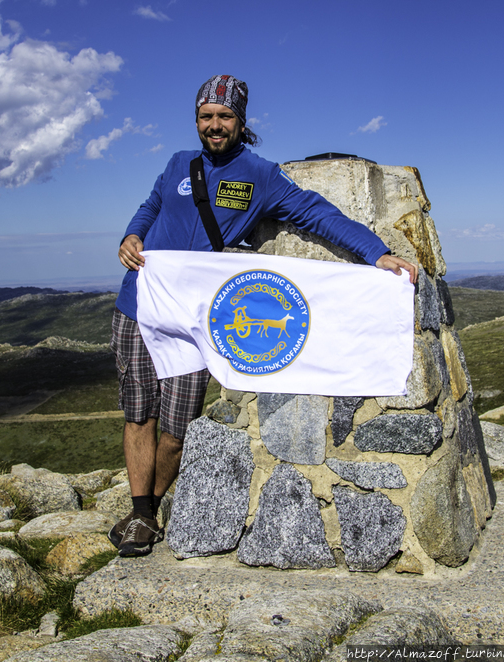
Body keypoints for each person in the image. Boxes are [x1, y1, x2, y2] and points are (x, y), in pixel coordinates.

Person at [109, 75, 417, 557]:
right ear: (196, 120)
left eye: (224, 117)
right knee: (137, 412)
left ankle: (149, 505)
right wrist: (132, 235)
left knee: (175, 427)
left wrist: (376, 253)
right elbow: (150, 207)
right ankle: (141, 512)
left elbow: (316, 214)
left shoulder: (260, 174)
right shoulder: (177, 164)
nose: (215, 126)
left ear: (240, 121)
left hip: (195, 321)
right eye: (206, 117)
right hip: (139, 303)